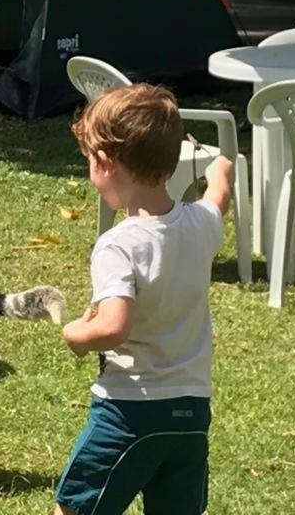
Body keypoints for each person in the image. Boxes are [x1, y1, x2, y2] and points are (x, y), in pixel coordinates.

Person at [53, 83, 234, 515]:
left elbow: (114, 326)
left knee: (74, 509)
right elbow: (218, 197)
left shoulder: (119, 245)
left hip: (129, 412)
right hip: (191, 413)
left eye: (88, 160)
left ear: (105, 162)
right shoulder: (201, 224)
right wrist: (220, 169)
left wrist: (76, 334)